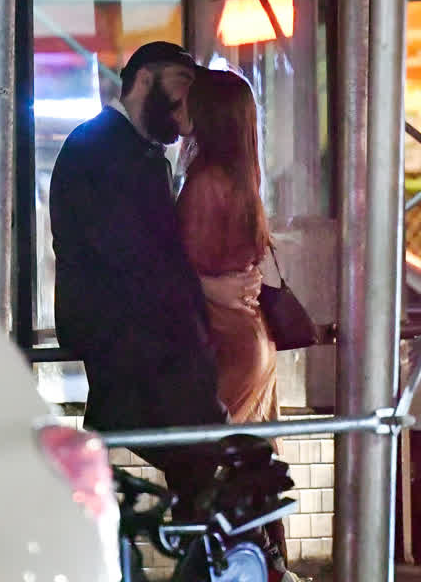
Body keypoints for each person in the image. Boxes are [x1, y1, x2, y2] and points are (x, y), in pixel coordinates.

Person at [49, 42, 261, 518]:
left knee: (202, 462)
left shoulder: (123, 150)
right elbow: (131, 255)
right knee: (202, 456)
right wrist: (206, 288)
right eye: (181, 83)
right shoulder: (102, 149)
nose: (188, 99)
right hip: (133, 333)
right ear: (145, 78)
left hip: (147, 335)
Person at [177, 67, 292, 570]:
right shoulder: (243, 177)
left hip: (224, 334)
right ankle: (271, 565)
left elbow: (183, 266)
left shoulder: (205, 182)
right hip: (250, 334)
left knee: (213, 476)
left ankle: (250, 568)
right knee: (249, 471)